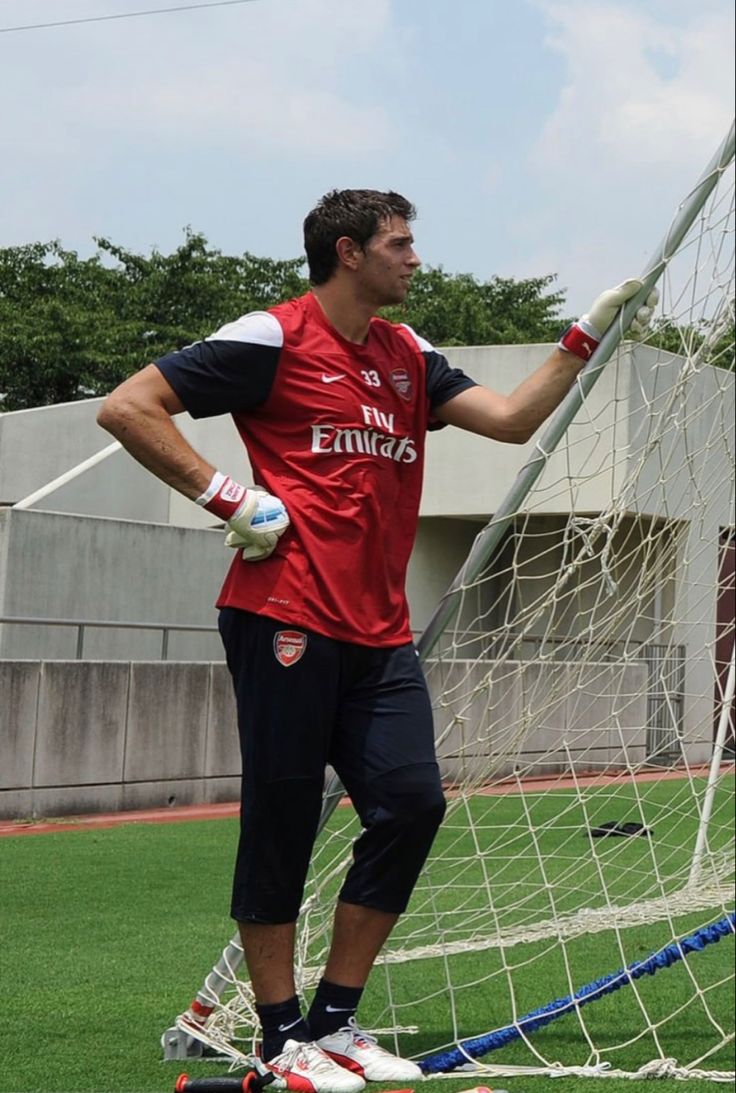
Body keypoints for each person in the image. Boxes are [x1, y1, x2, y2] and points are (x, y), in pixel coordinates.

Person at [97, 189, 656, 1093]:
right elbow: (129, 407)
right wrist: (228, 498)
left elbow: (512, 421)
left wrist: (585, 336)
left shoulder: (409, 353)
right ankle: (282, 1042)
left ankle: (335, 1024)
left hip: (378, 630)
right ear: (349, 252)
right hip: (282, 612)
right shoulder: (272, 336)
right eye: (402, 244)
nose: (416, 259)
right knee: (281, 820)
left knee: (410, 803)